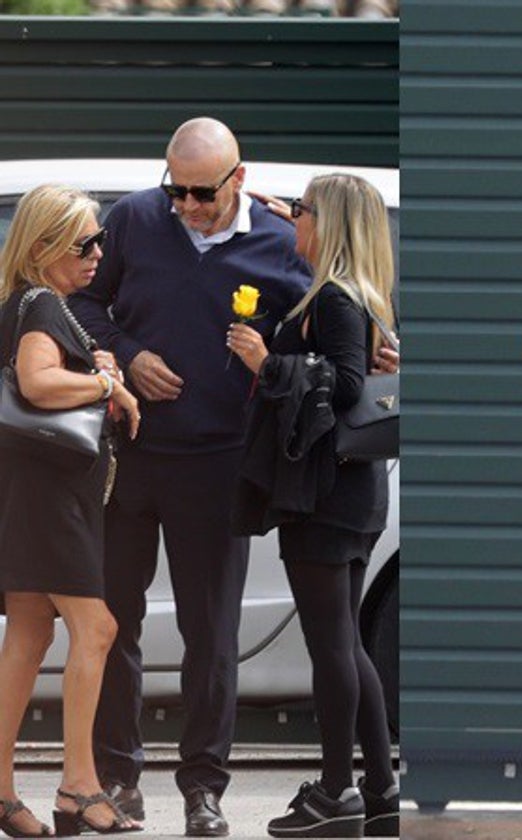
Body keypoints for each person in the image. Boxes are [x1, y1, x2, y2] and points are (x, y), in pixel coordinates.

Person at [68, 117, 314, 837]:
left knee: (213, 632)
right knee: (112, 621)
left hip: (220, 462)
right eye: (174, 188)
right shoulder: (136, 218)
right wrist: (127, 351)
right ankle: (118, 775)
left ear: (240, 179)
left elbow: (319, 327)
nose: (185, 205)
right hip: (130, 452)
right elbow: (84, 305)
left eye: (201, 193)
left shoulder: (279, 241)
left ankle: (204, 787)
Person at [227, 173, 399, 838]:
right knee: (346, 643)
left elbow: (347, 383)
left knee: (330, 647)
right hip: (352, 491)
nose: (292, 221)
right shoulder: (359, 296)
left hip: (326, 495)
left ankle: (337, 791)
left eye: (301, 212)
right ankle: (379, 787)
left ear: (326, 224)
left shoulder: (334, 299)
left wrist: (265, 361)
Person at [0, 184, 141, 837]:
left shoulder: (24, 303)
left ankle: (1, 794)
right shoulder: (42, 303)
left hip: (32, 492)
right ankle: (79, 787)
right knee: (98, 628)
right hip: (51, 498)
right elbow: (36, 381)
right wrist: (109, 382)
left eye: (99, 240)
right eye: (84, 242)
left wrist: (94, 367)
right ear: (44, 245)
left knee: (29, 636)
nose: (97, 253)